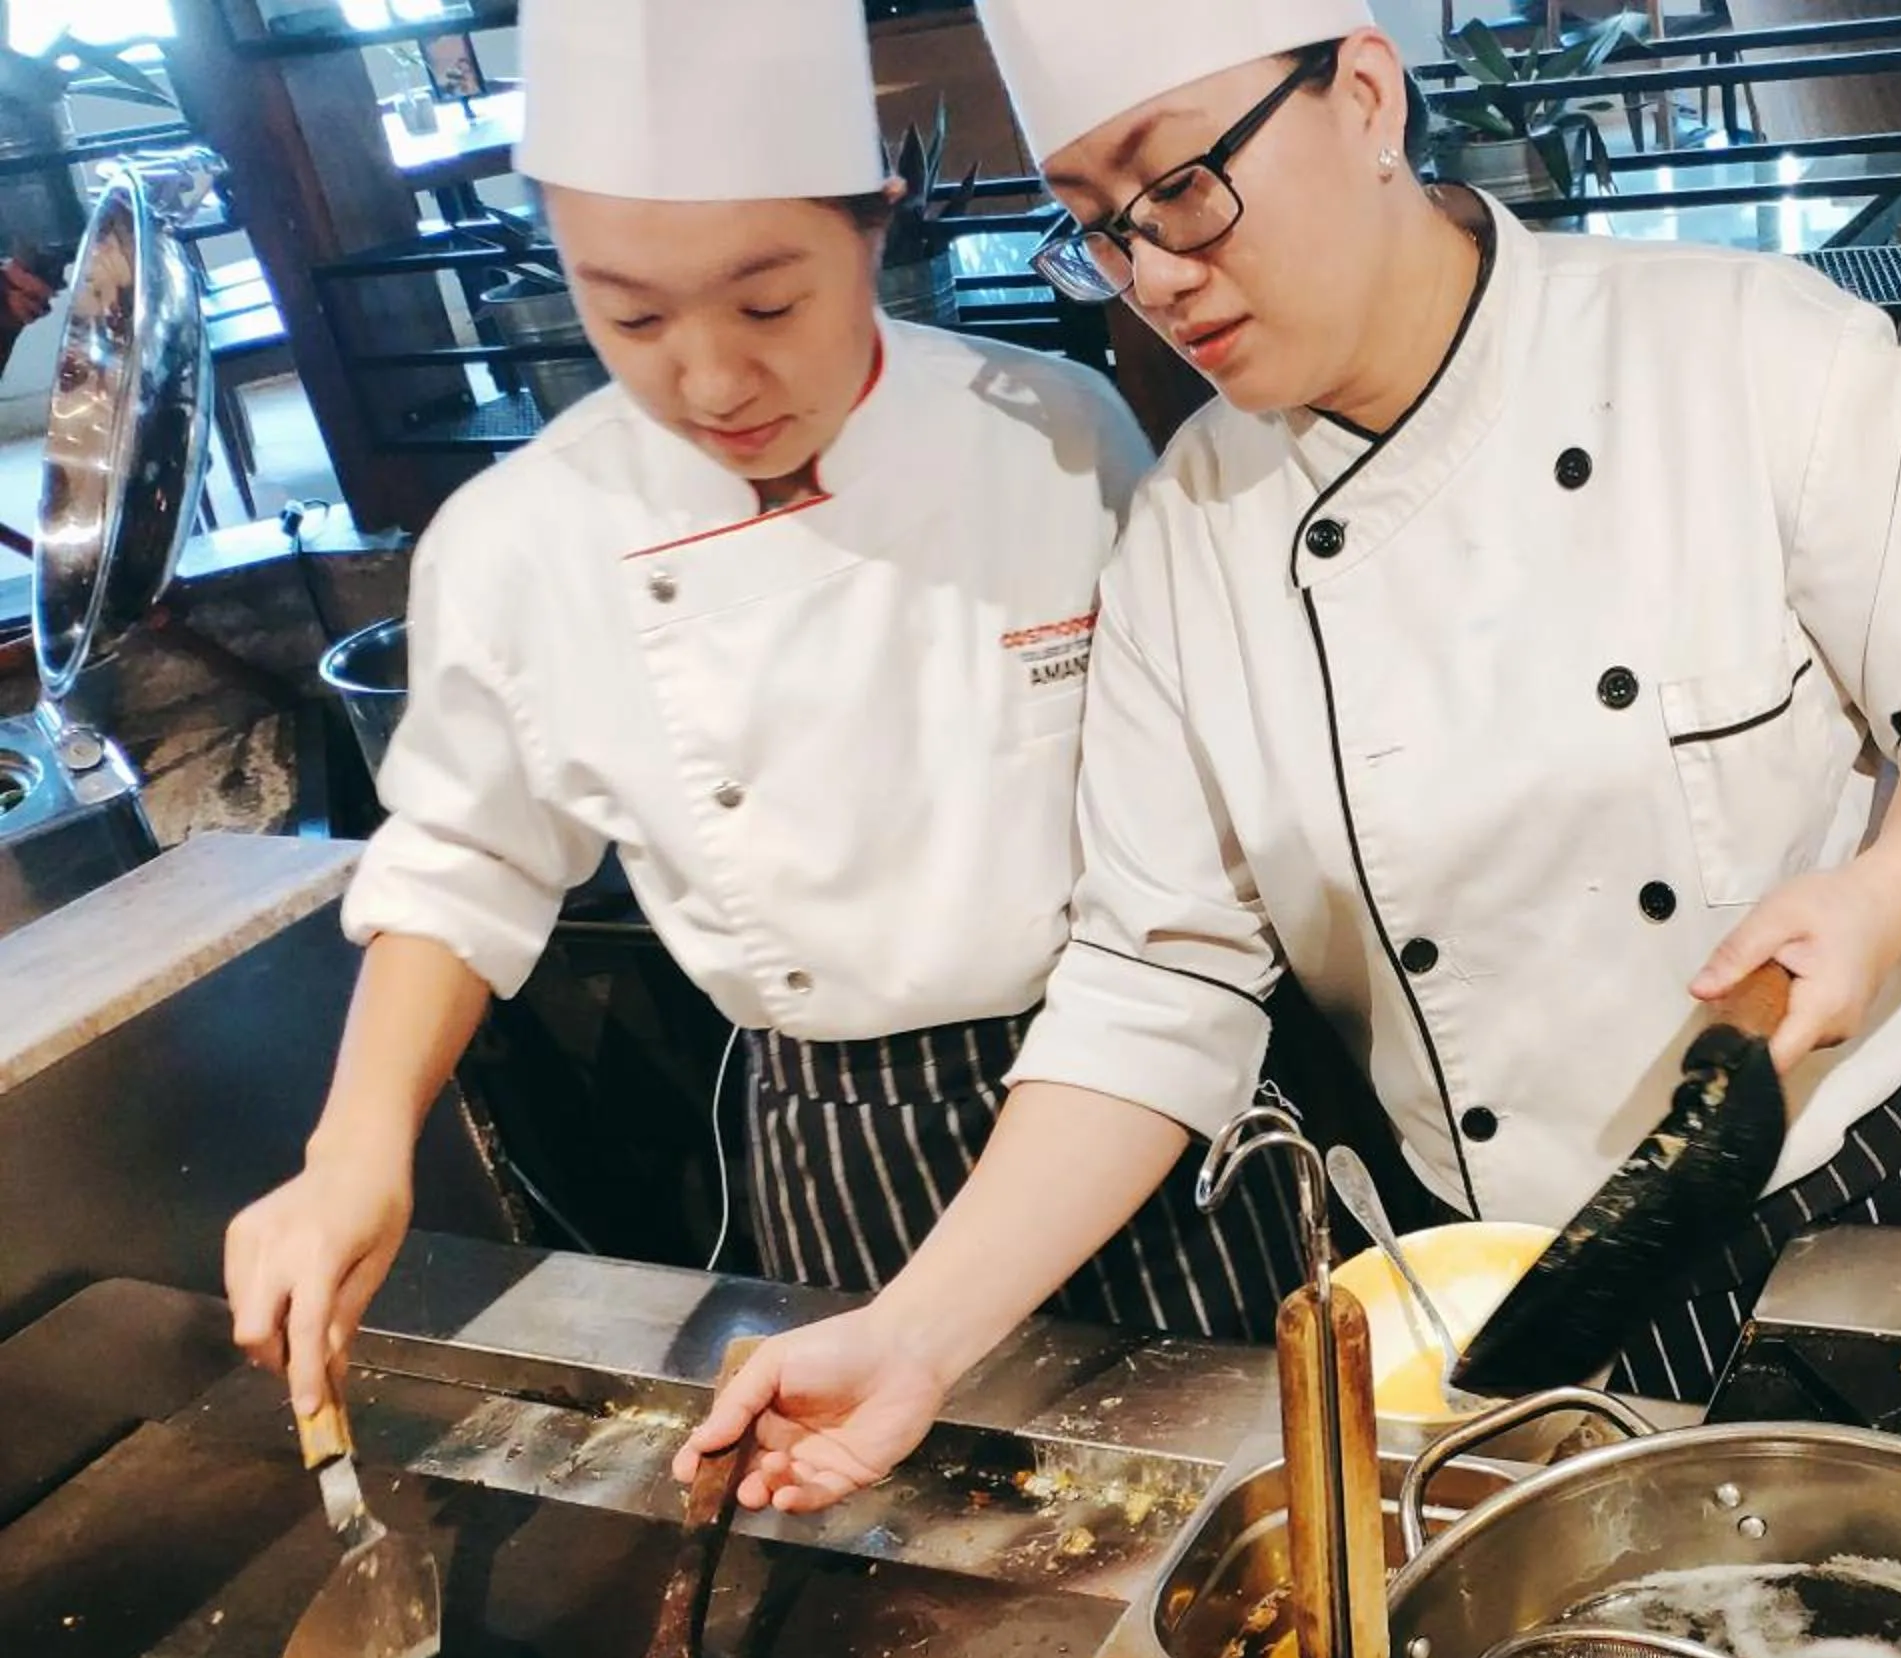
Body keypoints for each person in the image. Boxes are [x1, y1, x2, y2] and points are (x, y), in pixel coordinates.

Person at [681, 0, 1901, 1513]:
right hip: (1506, 1278)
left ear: (1367, 95)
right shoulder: (1189, 539)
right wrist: (916, 1334)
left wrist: (1885, 891)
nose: (1156, 276)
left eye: (1179, 187)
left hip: (1879, 1200)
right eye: (1100, 228)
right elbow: (1154, 983)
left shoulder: (1740, 348)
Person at [224, 0, 1300, 1420]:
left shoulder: (1054, 429)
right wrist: (355, 1144)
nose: (714, 378)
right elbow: (463, 855)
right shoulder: (520, 538)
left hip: (1151, 1077)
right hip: (844, 1136)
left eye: (769, 301)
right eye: (631, 315)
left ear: (876, 225)